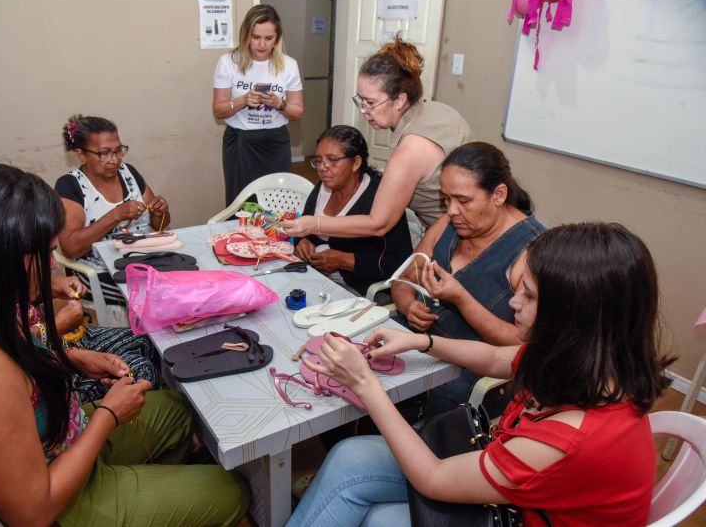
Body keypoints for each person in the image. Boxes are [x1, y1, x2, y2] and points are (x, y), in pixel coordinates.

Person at [0, 164, 248, 526]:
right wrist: (108, 416)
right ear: (4, 259)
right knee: (232, 490)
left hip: (58, 440)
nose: (53, 264)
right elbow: (32, 513)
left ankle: (155, 491)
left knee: (180, 409)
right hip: (58, 505)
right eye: (47, 251)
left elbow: (18, 366)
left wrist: (73, 357)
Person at [287, 222, 673, 527]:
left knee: (379, 517)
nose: (514, 303)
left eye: (530, 296)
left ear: (575, 317)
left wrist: (364, 385)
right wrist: (421, 343)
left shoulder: (568, 441)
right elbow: (493, 358)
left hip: (522, 514)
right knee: (350, 456)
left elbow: (434, 478)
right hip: (524, 499)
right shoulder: (585, 364)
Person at [0, 149, 160, 405]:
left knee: (149, 343)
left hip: (51, 350)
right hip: (43, 376)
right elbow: (6, 350)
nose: (52, 264)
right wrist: (55, 328)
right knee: (141, 371)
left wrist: (48, 289)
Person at [392, 142, 545, 415]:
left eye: (462, 201)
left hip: (470, 370)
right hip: (416, 344)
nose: (451, 210)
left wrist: (461, 299)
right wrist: (408, 307)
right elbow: (403, 278)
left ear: (498, 195)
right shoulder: (451, 224)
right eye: (445, 199)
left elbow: (524, 346)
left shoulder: (532, 251)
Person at [283, 34, 473, 239]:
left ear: (399, 100)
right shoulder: (439, 110)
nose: (363, 110)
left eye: (371, 103)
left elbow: (377, 224)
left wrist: (315, 223)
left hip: (461, 236)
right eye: (360, 100)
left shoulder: (411, 150)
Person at [55, 114, 170, 306]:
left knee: (185, 277)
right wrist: (116, 215)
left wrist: (159, 212)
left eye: (118, 151)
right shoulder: (71, 186)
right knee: (153, 295)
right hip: (99, 271)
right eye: (104, 153)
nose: (114, 160)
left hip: (144, 260)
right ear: (81, 154)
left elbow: (160, 226)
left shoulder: (129, 173)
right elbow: (70, 248)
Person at [295, 125, 411, 296]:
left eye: (332, 160)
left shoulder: (381, 198)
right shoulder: (324, 186)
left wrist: (344, 261)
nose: (322, 167)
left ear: (356, 163)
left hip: (359, 291)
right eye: (318, 160)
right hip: (318, 280)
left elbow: (399, 264)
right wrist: (302, 242)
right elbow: (307, 228)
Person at [212, 4, 304, 205]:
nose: (262, 44)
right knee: (241, 204)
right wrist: (242, 101)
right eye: (256, 37)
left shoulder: (289, 65)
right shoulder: (228, 62)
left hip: (275, 142)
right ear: (246, 35)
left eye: (269, 38)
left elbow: (297, 113)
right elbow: (218, 110)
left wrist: (279, 104)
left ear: (277, 38)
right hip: (240, 142)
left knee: (276, 203)